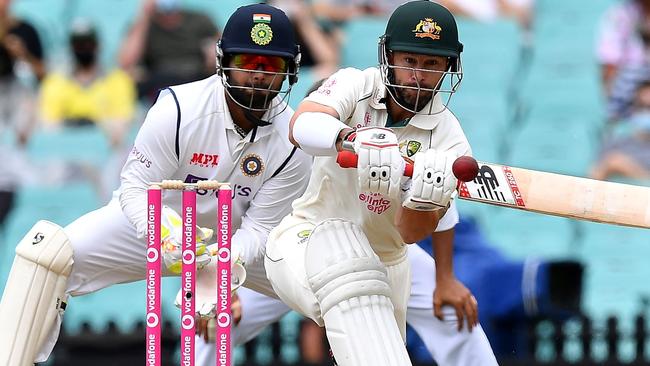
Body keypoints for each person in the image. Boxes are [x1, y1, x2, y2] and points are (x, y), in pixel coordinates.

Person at [0, 4, 311, 365]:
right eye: (247, 61)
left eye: (271, 65)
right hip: (157, 222)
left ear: (290, 70)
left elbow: (260, 228)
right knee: (47, 257)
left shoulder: (294, 138)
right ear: (223, 60)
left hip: (237, 241)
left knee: (337, 284)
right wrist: (161, 233)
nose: (258, 75)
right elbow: (133, 187)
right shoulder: (179, 109)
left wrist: (219, 265)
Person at [195, 77, 499, 366]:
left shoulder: (371, 144)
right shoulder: (282, 151)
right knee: (214, 319)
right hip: (291, 249)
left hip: (381, 250)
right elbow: (248, 225)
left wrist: (445, 278)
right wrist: (226, 284)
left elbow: (443, 208)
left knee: (452, 312)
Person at [262, 1, 496, 364]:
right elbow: (301, 126)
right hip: (308, 235)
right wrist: (351, 139)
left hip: (388, 261)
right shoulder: (357, 83)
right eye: (410, 60)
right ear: (388, 55)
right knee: (347, 275)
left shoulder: (450, 138)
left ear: (448, 68)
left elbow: (410, 233)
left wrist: (423, 201)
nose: (418, 74)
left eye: (432, 64)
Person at [40, 19, 136, 147]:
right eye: (78, 45)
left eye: (88, 44)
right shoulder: (55, 82)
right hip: (66, 151)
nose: (84, 48)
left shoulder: (118, 80)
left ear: (97, 45)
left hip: (104, 152)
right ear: (71, 47)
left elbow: (123, 122)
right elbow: (49, 124)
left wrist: (92, 125)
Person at [118, 0, 220, 102]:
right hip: (159, 85)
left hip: (196, 79)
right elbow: (126, 63)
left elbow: (222, 50)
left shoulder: (200, 20)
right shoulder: (145, 25)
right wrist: (144, 15)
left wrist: (212, 56)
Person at [591, 80, 650, 181]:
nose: (646, 112)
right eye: (642, 106)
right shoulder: (616, 140)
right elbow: (596, 172)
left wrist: (627, 168)